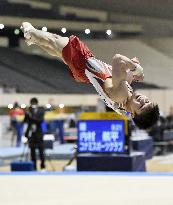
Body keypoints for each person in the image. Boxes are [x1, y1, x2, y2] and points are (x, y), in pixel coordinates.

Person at [21, 22, 159, 129]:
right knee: (58, 51)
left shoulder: (122, 95)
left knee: (54, 39)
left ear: (134, 114)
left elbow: (117, 59)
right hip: (85, 74)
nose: (142, 100)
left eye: (141, 106)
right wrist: (131, 73)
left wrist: (135, 68)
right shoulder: (124, 105)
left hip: (84, 63)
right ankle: (34, 40)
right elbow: (119, 81)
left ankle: (30, 31)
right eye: (147, 101)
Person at [23, 97, 46, 171]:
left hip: (39, 133)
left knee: (41, 151)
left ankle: (42, 166)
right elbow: (25, 121)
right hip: (31, 134)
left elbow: (40, 121)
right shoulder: (29, 110)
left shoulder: (41, 110)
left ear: (36, 104)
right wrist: (26, 114)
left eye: (33, 104)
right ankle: (34, 167)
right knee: (32, 151)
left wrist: (31, 117)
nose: (32, 105)